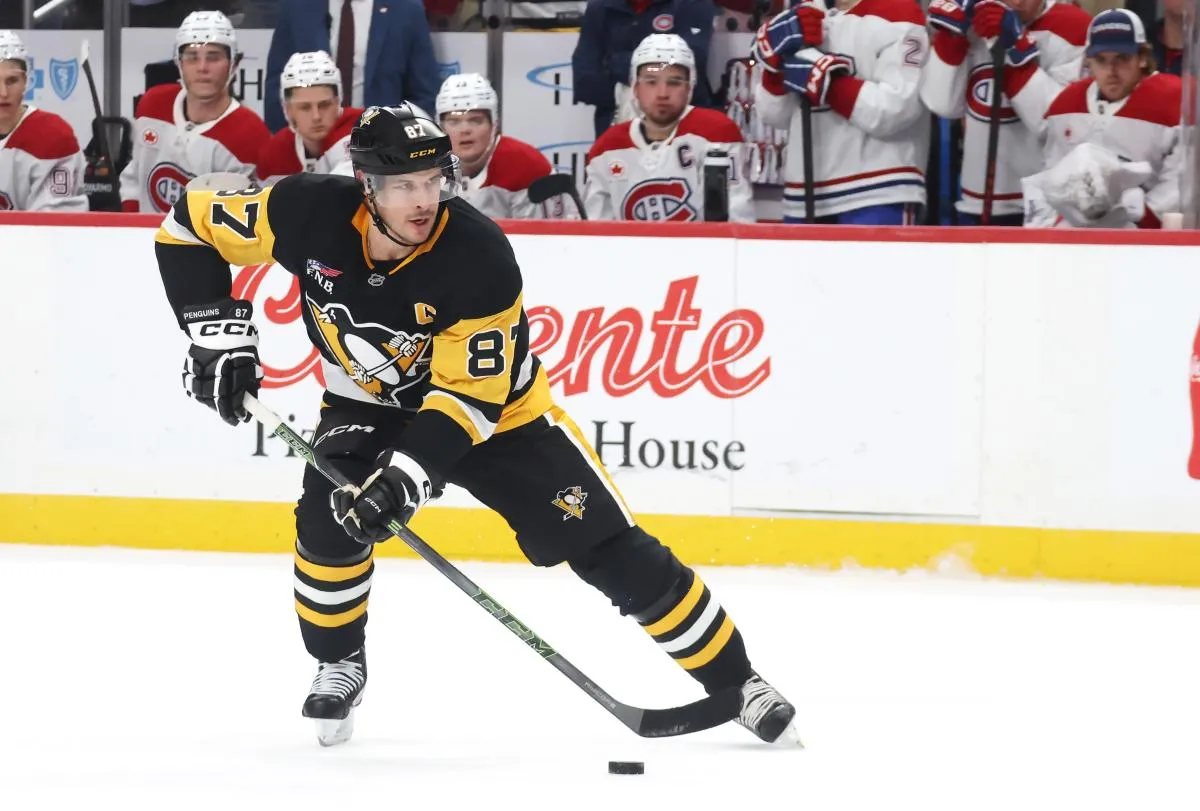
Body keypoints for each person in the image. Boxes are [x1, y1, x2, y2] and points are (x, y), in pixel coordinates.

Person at [153, 104, 801, 748]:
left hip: (500, 418)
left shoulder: (478, 255)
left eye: (433, 181)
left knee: (609, 547)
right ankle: (340, 661)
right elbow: (187, 225)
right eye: (404, 185)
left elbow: (466, 400)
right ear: (366, 184)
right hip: (366, 405)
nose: (422, 200)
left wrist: (402, 479)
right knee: (328, 524)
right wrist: (217, 333)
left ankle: (738, 682)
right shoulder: (305, 211)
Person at [752, 0, 930, 224]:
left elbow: (897, 108)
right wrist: (774, 69)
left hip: (879, 191)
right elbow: (774, 116)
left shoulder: (898, 10)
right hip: (804, 195)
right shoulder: (802, 15)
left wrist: (829, 84)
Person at [920, 0, 1090, 225]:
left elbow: (1057, 126)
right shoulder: (975, 24)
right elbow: (942, 104)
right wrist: (950, 40)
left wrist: (1015, 50)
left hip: (1048, 204)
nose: (1018, 2)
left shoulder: (1073, 26)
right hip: (975, 199)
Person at [1022, 9, 1180, 229]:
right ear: (1088, 62)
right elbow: (1051, 177)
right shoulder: (1066, 104)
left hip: (1146, 241)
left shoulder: (1174, 100)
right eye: (1101, 60)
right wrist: (1050, 231)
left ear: (1142, 58)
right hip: (1079, 242)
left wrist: (1143, 219)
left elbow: (1182, 180)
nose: (1111, 71)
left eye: (1122, 59)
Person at [585, 34, 753, 222]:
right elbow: (595, 234)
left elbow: (736, 222)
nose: (662, 93)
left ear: (690, 88)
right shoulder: (607, 148)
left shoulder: (715, 133)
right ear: (635, 88)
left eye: (674, 82)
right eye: (651, 82)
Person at [119, 11, 270, 213]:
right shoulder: (152, 105)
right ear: (179, 63)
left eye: (213, 57)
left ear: (234, 64)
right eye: (192, 57)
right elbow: (134, 177)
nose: (202, 67)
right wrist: (130, 228)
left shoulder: (251, 134)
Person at [263, 0, 441, 133]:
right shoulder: (298, 7)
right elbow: (277, 85)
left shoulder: (406, 9)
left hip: (384, 148)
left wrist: (402, 142)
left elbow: (425, 92)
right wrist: (292, 144)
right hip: (313, 146)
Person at [572, 0, 716, 138]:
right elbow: (585, 83)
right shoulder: (599, 7)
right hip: (614, 127)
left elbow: (691, 62)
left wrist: (614, 63)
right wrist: (628, 93)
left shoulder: (693, 3)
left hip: (684, 127)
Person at [435, 73, 567, 219]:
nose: (465, 130)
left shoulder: (527, 165)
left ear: (494, 125)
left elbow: (546, 238)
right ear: (441, 128)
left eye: (475, 120)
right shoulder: (426, 168)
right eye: (454, 121)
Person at [0, 31, 88, 212]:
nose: (3, 93)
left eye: (12, 81)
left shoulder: (51, 136)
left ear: (25, 81)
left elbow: (52, 230)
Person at [256, 51, 362, 184]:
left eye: (324, 105)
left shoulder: (364, 128)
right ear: (288, 110)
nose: (316, 116)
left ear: (337, 102)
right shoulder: (273, 154)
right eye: (305, 107)